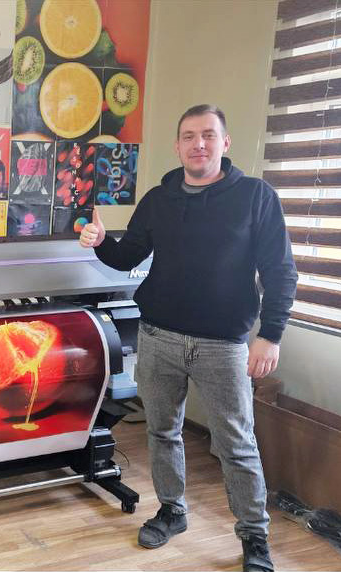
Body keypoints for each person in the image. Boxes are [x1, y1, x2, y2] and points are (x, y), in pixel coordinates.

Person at [79, 104, 297, 572]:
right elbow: (127, 257)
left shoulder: (256, 197)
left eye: (208, 135)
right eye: (189, 136)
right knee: (162, 432)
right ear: (177, 147)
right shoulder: (159, 199)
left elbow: (281, 271)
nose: (199, 144)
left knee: (236, 444)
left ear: (225, 143)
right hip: (159, 337)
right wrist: (100, 242)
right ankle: (172, 511)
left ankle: (254, 536)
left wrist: (271, 335)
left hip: (224, 345)